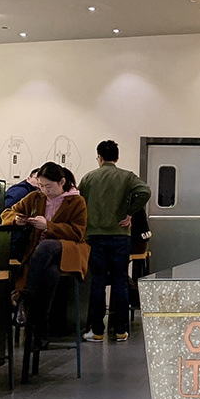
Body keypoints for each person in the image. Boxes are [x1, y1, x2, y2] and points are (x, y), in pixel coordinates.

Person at [0, 162, 90, 347]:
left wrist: (48, 226)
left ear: (62, 182)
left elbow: (77, 233)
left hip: (66, 251)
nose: (44, 190)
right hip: (41, 258)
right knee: (50, 274)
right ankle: (39, 334)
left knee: (47, 246)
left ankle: (24, 295)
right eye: (41, 186)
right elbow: (7, 212)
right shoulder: (35, 198)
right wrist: (16, 219)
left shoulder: (76, 201)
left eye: (48, 186)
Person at [78, 140, 151, 343]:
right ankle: (121, 331)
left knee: (98, 282)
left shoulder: (89, 177)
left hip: (95, 236)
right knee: (120, 282)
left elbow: (79, 201)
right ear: (117, 158)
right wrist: (130, 212)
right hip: (120, 235)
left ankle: (97, 331)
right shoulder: (127, 176)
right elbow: (145, 191)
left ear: (100, 157)